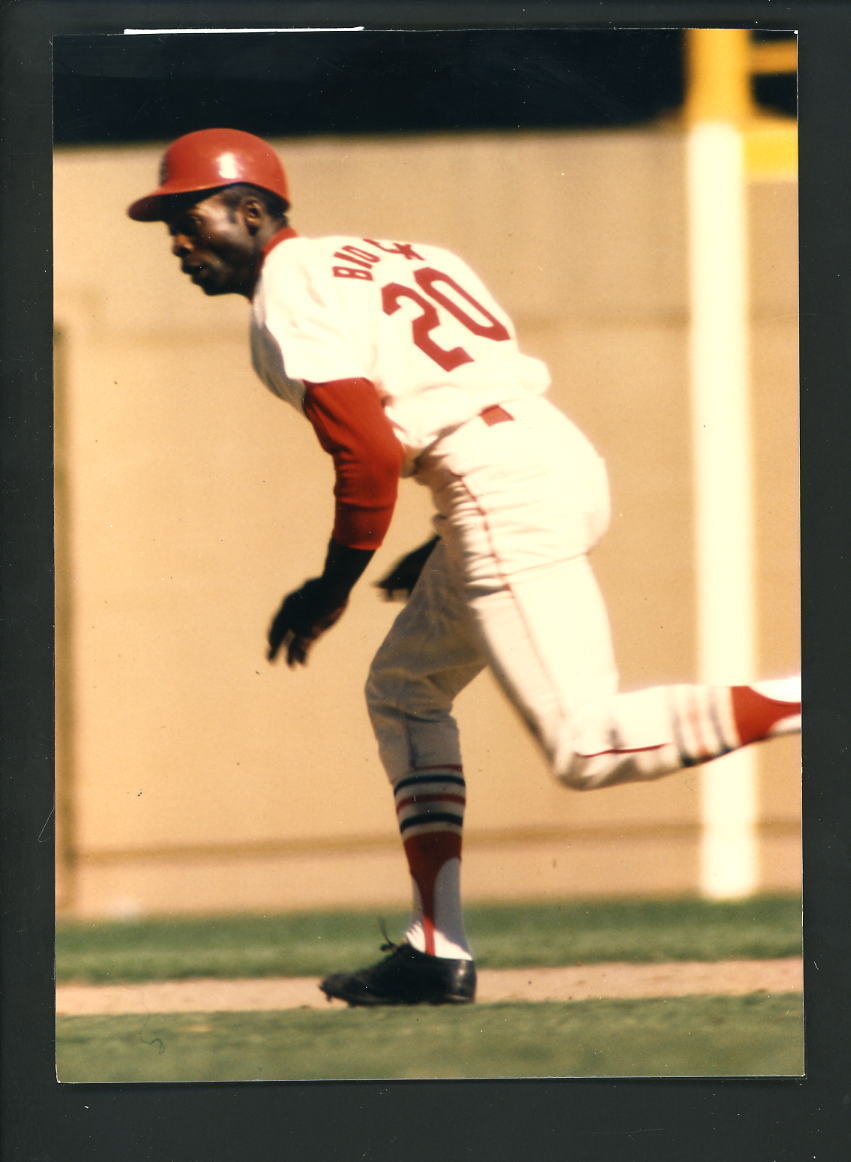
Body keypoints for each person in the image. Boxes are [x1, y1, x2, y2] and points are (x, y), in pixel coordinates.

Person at [128, 128, 801, 1007]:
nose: (178, 240)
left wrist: (328, 589)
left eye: (191, 216)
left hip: (495, 484)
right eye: (168, 225)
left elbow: (367, 455)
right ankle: (437, 949)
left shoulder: (284, 292)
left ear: (253, 211)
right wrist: (443, 539)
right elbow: (455, 398)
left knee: (585, 746)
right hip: (541, 456)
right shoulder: (395, 253)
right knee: (404, 688)